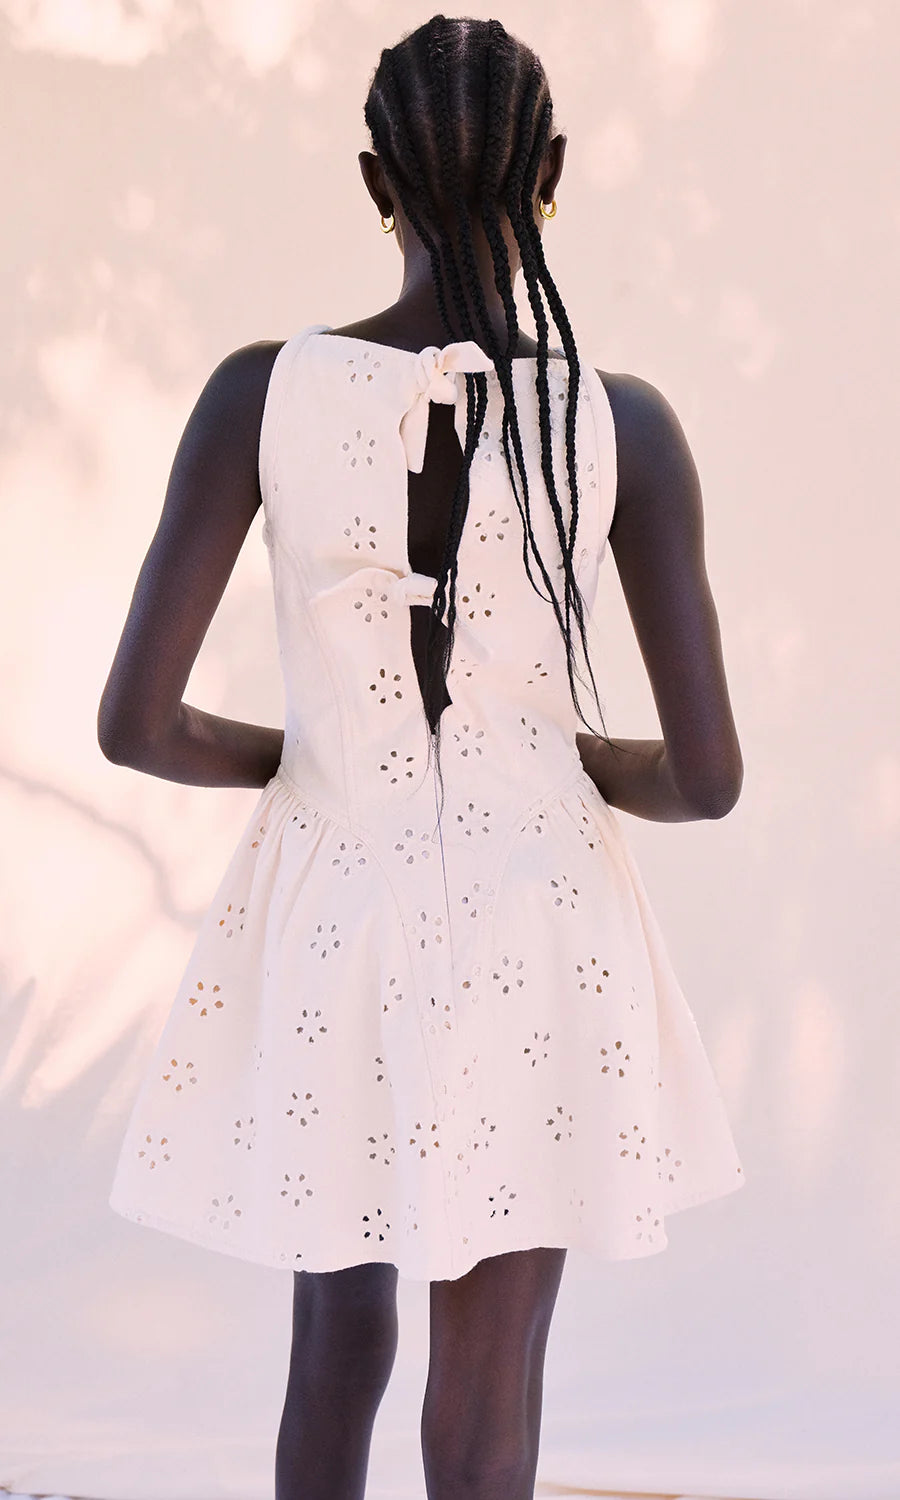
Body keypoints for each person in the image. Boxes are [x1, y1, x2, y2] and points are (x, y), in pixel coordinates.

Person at [98, 15, 746, 1500]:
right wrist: (567, 758)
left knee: (334, 1344)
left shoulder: (259, 393)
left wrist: (318, 759)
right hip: (541, 918)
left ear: (373, 180)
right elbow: (707, 779)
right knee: (488, 1390)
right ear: (553, 174)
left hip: (340, 903)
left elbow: (138, 726)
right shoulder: (622, 425)